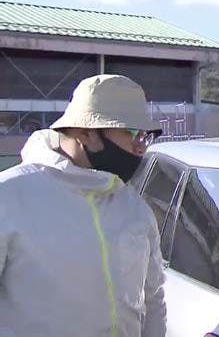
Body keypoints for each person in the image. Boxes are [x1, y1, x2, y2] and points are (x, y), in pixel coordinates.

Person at [0, 75, 167, 337]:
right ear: (85, 134)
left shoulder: (134, 207)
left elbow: (153, 297)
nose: (140, 147)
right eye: (133, 133)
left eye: (146, 137)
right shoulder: (8, 196)